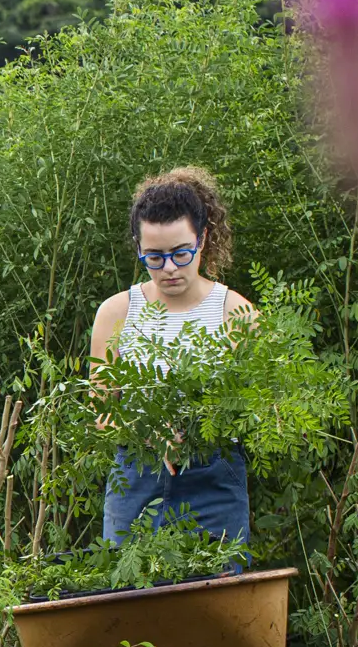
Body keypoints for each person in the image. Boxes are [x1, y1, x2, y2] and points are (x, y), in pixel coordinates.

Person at [87, 167, 256, 548]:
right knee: (128, 599)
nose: (169, 268)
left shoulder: (236, 313)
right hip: (136, 479)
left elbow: (257, 408)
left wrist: (203, 426)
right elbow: (100, 413)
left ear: (203, 239)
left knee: (216, 599)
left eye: (181, 253)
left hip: (214, 478)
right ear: (138, 247)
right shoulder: (116, 314)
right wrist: (144, 432)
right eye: (154, 256)